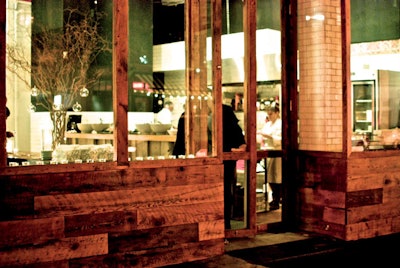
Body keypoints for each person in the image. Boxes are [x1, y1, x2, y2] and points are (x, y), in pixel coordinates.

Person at [173, 104, 246, 229]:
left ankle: (217, 227)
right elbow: (242, 145)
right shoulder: (222, 121)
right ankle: (223, 226)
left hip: (209, 163)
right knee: (223, 194)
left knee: (214, 194)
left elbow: (241, 146)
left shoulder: (194, 118)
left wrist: (228, 150)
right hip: (220, 164)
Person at [257, 105, 282, 211]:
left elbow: (280, 139)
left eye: (271, 114)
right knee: (270, 177)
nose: (269, 116)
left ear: (277, 113)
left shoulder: (280, 124)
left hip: (277, 152)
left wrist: (270, 136)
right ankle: (275, 197)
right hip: (268, 151)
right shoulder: (268, 125)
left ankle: (277, 198)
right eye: (268, 114)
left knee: (277, 176)